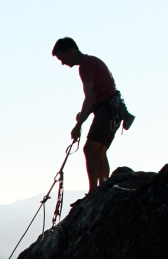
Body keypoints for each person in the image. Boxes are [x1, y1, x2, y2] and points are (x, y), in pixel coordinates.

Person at [52, 37, 135, 192]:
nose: (63, 63)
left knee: (90, 150)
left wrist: (78, 125)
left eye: (62, 58)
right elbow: (97, 96)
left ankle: (93, 191)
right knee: (100, 151)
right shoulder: (91, 62)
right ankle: (103, 187)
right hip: (114, 109)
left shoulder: (86, 65)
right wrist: (84, 114)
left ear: (71, 51)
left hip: (108, 110)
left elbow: (89, 97)